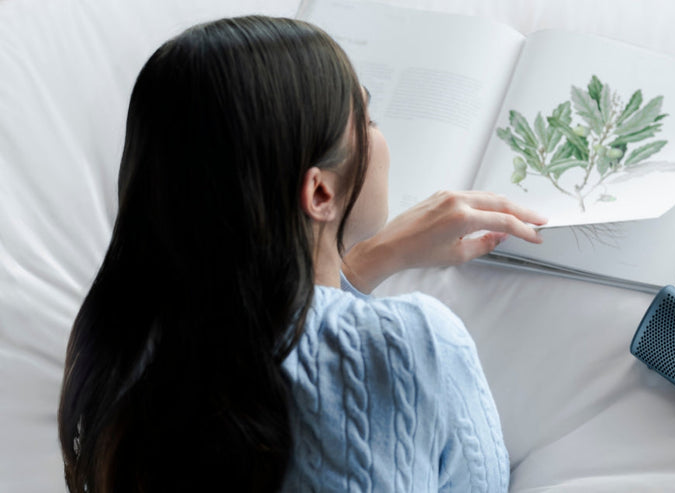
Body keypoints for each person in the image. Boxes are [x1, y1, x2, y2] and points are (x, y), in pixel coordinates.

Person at [57, 15, 545, 493]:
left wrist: (363, 263)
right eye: (369, 120)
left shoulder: (113, 345)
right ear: (319, 194)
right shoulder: (413, 342)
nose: (381, 137)